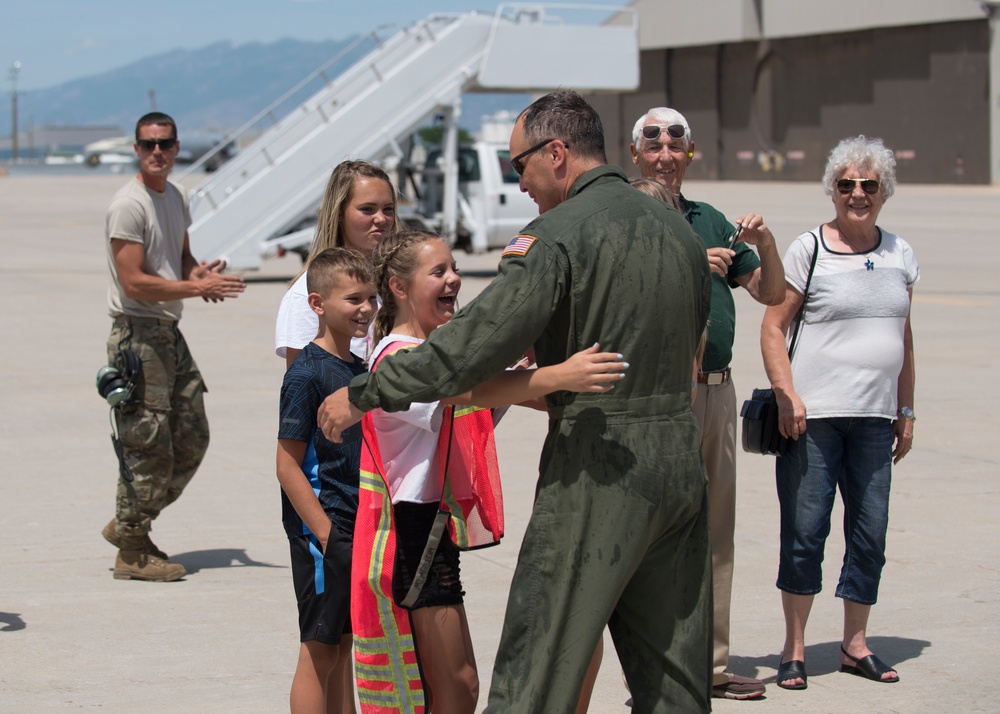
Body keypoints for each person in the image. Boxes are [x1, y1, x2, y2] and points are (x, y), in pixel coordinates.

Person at [318, 91, 714, 713]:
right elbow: (695, 352)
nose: (519, 182)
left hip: (599, 468)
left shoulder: (555, 238)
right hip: (681, 464)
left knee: (540, 657)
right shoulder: (681, 234)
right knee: (673, 673)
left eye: (519, 165)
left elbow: (464, 353)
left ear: (556, 154)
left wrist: (363, 394)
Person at [353, 229, 627, 714]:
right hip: (412, 536)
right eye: (438, 271)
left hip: (432, 534)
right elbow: (466, 394)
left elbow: (476, 406)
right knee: (456, 689)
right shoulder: (398, 360)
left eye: (454, 267)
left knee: (453, 687)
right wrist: (559, 375)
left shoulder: (430, 357)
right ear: (398, 287)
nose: (454, 279)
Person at [630, 107, 785, 700]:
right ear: (635, 151)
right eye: (653, 141)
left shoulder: (711, 219)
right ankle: (653, 662)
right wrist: (695, 264)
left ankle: (710, 664)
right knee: (654, 533)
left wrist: (765, 244)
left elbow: (770, 293)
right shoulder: (630, 214)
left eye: (676, 143)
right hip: (661, 394)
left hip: (716, 393)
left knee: (716, 533)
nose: (665, 152)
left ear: (690, 153)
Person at [761, 136, 917, 690]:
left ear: (883, 192)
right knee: (805, 532)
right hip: (812, 419)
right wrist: (786, 394)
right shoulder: (810, 249)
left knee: (870, 533)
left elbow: (903, 335)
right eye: (847, 184)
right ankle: (795, 648)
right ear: (832, 190)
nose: (857, 194)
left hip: (875, 420)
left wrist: (906, 407)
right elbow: (773, 326)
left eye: (868, 185)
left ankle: (855, 644)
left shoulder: (900, 253)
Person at [102, 111, 245, 582]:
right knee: (147, 445)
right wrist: (191, 289)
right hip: (138, 334)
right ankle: (133, 549)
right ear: (137, 150)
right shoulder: (129, 205)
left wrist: (199, 276)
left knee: (192, 436)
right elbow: (135, 282)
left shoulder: (176, 196)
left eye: (164, 144)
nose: (157, 152)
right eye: (147, 145)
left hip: (166, 333)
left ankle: (129, 523)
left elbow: (180, 260)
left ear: (177, 147)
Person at [276, 248, 378, 714]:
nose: (366, 308)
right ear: (317, 304)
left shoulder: (359, 369)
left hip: (358, 526)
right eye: (352, 299)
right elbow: (286, 464)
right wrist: (326, 535)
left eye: (371, 298)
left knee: (343, 645)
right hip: (326, 530)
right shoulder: (307, 373)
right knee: (318, 650)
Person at [275, 160, 401, 368]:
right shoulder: (306, 292)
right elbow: (301, 387)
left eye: (388, 209)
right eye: (367, 209)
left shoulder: (397, 283)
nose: (381, 219)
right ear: (340, 214)